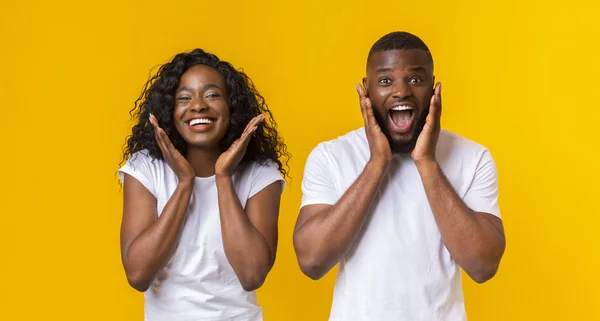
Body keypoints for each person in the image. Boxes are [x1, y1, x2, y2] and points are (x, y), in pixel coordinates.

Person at [293, 31, 506, 321]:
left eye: (416, 80)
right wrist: (378, 162)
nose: (401, 91)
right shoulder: (331, 156)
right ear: (366, 90)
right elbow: (312, 261)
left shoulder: (473, 157)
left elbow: (483, 266)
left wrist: (427, 162)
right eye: (385, 81)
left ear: (434, 89)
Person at [118, 48, 289, 321]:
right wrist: (185, 183)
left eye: (212, 95)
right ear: (169, 111)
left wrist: (223, 178)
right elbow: (138, 274)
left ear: (232, 107)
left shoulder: (259, 173)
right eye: (184, 98)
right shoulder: (146, 169)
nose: (198, 105)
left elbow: (252, 275)